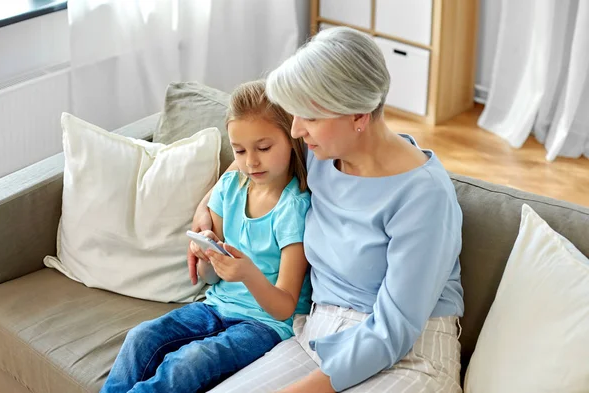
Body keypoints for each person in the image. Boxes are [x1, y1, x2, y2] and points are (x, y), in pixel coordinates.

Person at [191, 27, 464, 393]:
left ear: (359, 115)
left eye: (310, 116)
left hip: (409, 354)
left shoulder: (424, 197)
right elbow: (248, 162)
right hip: (317, 338)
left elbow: (393, 331)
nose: (297, 129)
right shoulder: (321, 152)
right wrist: (204, 208)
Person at [100, 80, 312, 393]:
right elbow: (210, 280)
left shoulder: (293, 209)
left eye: (264, 148)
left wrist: (248, 273)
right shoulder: (230, 189)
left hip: (265, 326)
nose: (250, 161)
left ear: (291, 138)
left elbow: (284, 307)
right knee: (141, 337)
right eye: (239, 150)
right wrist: (207, 258)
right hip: (215, 307)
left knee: (188, 362)